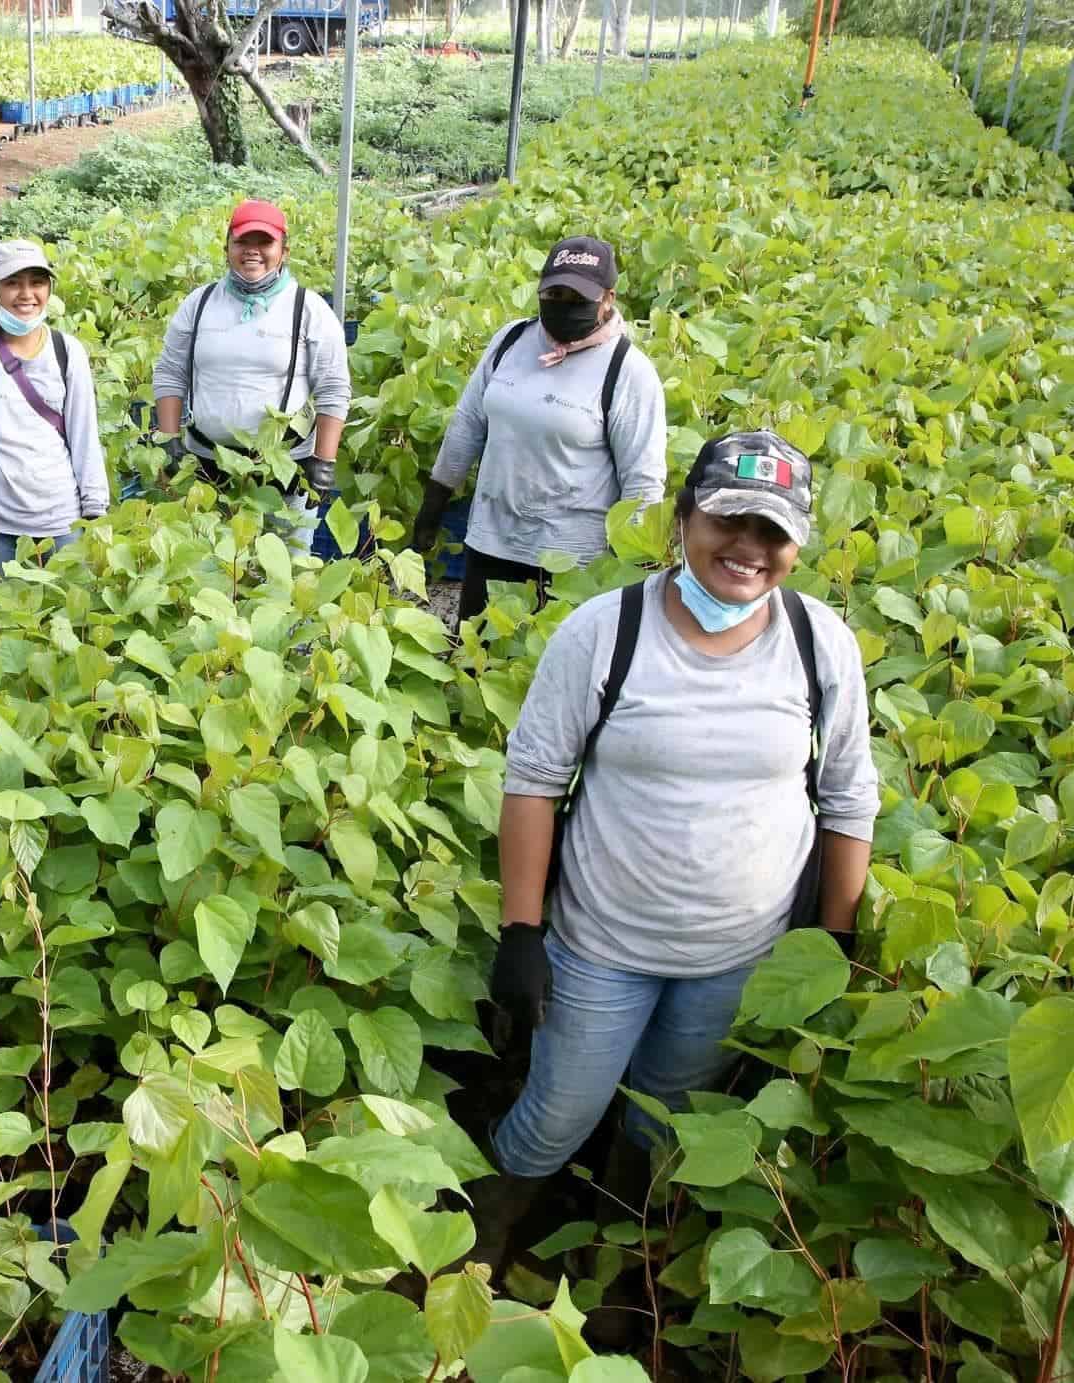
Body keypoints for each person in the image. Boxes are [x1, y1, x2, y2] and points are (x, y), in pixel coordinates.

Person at [470, 431, 877, 1322]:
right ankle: (480, 1248)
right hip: (600, 946)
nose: (749, 549)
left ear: (799, 547)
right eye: (728, 520)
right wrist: (521, 932)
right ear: (683, 520)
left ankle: (619, 1264)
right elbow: (535, 779)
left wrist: (835, 947)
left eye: (772, 533)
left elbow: (849, 796)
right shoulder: (605, 631)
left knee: (666, 1127)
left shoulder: (820, 644)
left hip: (740, 957)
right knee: (555, 1114)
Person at [411, 236, 668, 628]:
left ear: (607, 298)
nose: (563, 304)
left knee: (550, 671)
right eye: (554, 293)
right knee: (478, 665)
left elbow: (643, 482)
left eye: (577, 297)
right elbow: (467, 425)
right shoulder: (512, 340)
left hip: (571, 559)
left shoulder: (627, 370)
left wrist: (637, 575)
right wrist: (433, 507)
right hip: (491, 539)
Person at [150, 199, 350, 550]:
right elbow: (170, 372)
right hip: (207, 464)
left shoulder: (308, 308)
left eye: (264, 243)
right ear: (227, 247)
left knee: (278, 577)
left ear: (283, 251)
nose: (252, 251)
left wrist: (324, 462)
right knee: (210, 568)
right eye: (242, 242)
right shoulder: (200, 303)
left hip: (282, 469)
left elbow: (333, 387)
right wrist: (169, 443)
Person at [0, 240, 108, 567]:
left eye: (37, 282)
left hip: (60, 519)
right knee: (1, 614)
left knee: (68, 613)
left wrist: (95, 510)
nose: (26, 294)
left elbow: (85, 436)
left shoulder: (67, 351)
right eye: (12, 283)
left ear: (49, 288)